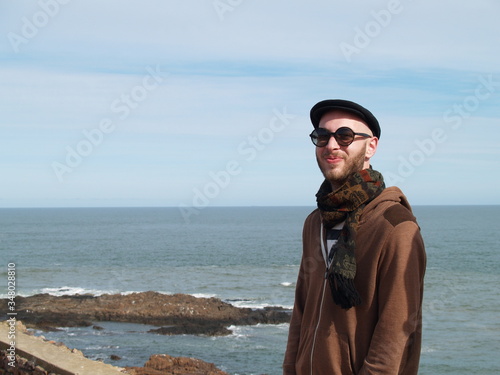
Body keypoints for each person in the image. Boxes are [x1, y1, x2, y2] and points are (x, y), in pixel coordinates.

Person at [283, 99, 426, 375]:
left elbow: (395, 332)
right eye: (322, 136)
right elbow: (301, 309)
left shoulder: (396, 227)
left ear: (370, 146)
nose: (332, 145)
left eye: (345, 136)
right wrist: (290, 368)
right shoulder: (315, 222)